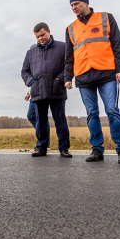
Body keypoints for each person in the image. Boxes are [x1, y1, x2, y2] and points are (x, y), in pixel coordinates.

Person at [64, 0, 120, 164]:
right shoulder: (70, 28)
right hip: (83, 76)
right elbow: (68, 57)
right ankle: (97, 149)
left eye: (76, 3)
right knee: (92, 113)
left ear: (86, 2)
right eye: (71, 5)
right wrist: (67, 77)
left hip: (107, 73)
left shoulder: (106, 18)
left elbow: (118, 44)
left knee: (112, 111)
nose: (74, 7)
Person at [21, 22, 72, 158]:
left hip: (57, 90)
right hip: (38, 92)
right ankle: (41, 147)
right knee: (40, 121)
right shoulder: (31, 52)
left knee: (60, 120)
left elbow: (68, 66)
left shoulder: (63, 47)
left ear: (49, 31)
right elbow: (24, 71)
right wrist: (32, 82)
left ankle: (64, 148)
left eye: (42, 35)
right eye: (37, 37)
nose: (40, 39)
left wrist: (60, 80)